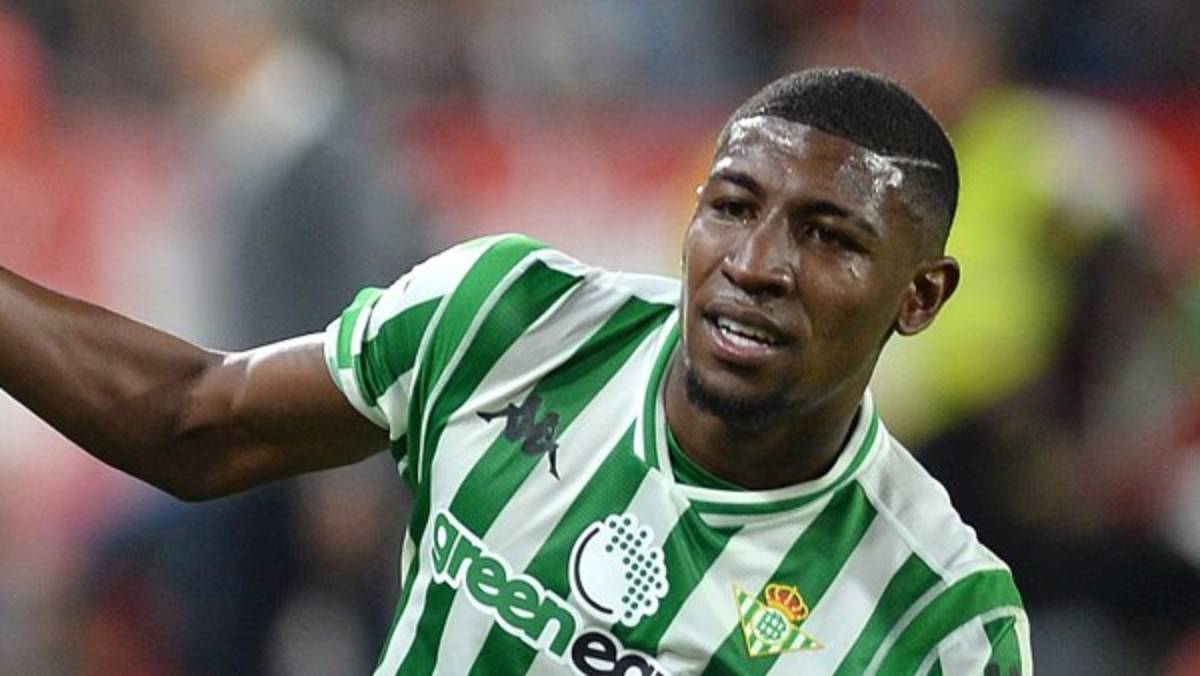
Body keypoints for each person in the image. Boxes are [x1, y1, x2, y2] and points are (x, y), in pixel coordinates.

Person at [0, 68, 1031, 674]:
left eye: (828, 236)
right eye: (731, 206)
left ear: (920, 295)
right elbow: (191, 418)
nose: (756, 264)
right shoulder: (512, 320)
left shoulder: (938, 618)